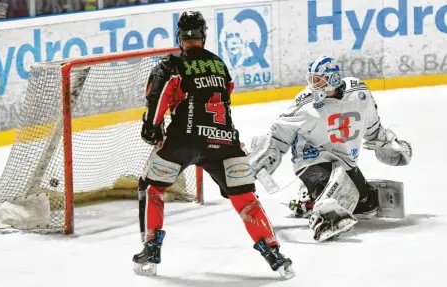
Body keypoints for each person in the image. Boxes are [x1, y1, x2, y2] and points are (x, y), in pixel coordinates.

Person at [132, 11, 294, 279]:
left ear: (180, 36)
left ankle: (150, 250)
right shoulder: (219, 64)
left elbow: (158, 95)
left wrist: (152, 126)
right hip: (225, 139)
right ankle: (275, 254)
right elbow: (224, 95)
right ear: (203, 35)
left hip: (185, 139)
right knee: (245, 199)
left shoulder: (172, 63)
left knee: (152, 187)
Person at [249, 56, 412, 242]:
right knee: (333, 185)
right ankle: (321, 210)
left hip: (344, 159)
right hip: (310, 158)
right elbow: (279, 136)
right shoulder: (306, 104)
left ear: (334, 79)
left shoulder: (359, 93)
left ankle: (309, 199)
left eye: (319, 80)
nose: (314, 85)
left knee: (367, 207)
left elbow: (372, 128)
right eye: (312, 79)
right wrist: (261, 162)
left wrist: (389, 142)